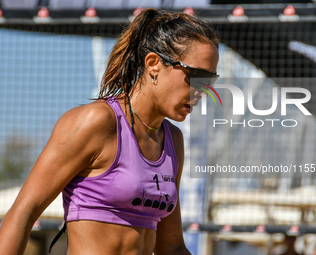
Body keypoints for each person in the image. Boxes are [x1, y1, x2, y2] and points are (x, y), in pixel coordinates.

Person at [0, 8, 219, 255]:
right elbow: (24, 212)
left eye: (209, 81)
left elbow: (172, 247)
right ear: (154, 64)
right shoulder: (97, 122)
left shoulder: (172, 141)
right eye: (197, 76)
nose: (203, 90)